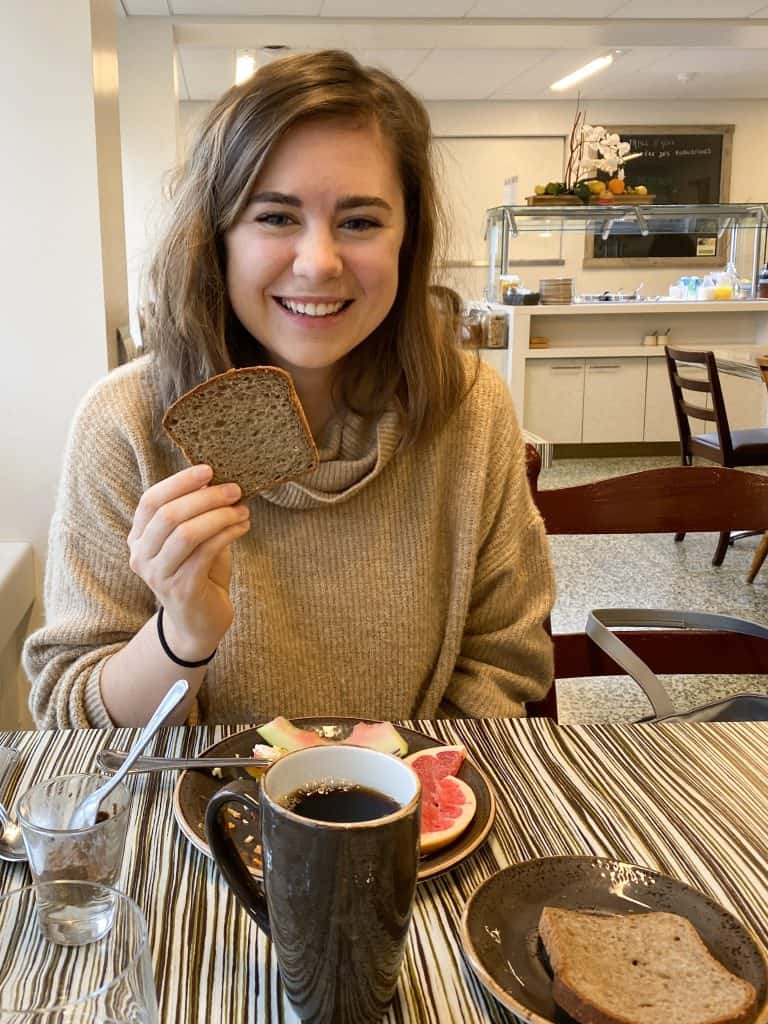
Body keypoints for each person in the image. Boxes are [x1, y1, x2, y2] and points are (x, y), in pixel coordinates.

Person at [23, 50, 555, 729]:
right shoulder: (123, 421)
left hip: (406, 811)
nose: (318, 262)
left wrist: (395, 785)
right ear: (216, 237)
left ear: (407, 240)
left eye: (360, 222)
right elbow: (72, 718)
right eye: (275, 217)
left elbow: (507, 659)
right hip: (195, 814)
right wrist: (180, 635)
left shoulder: (469, 408)